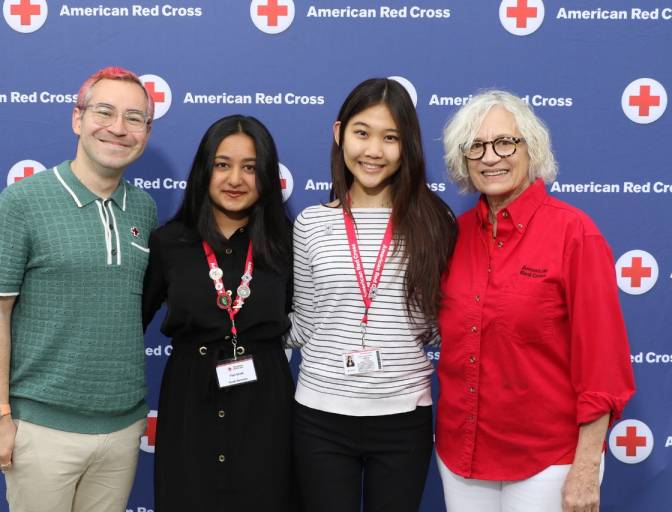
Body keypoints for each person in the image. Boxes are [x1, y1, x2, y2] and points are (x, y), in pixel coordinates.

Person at [437, 90, 636, 512]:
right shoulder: (455, 235)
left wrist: (586, 467)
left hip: (548, 461)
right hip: (462, 455)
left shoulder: (575, 234)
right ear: (464, 160)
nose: (491, 157)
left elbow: (604, 365)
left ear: (532, 148)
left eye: (506, 142)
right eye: (476, 146)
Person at [0, 66, 157, 512]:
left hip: (123, 427)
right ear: (77, 120)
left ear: (146, 133)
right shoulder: (22, 202)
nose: (119, 128)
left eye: (135, 118)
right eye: (105, 112)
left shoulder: (144, 207)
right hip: (42, 429)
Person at [286, 78, 457, 511]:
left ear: (408, 146)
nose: (374, 151)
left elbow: (439, 327)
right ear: (338, 133)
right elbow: (304, 322)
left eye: (390, 137)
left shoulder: (436, 223)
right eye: (362, 133)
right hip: (320, 416)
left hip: (403, 418)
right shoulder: (310, 224)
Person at [142, 115, 295, 512]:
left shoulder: (289, 243)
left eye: (250, 167)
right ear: (204, 169)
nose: (235, 179)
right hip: (189, 404)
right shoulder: (169, 242)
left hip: (267, 408)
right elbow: (129, 325)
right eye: (223, 164)